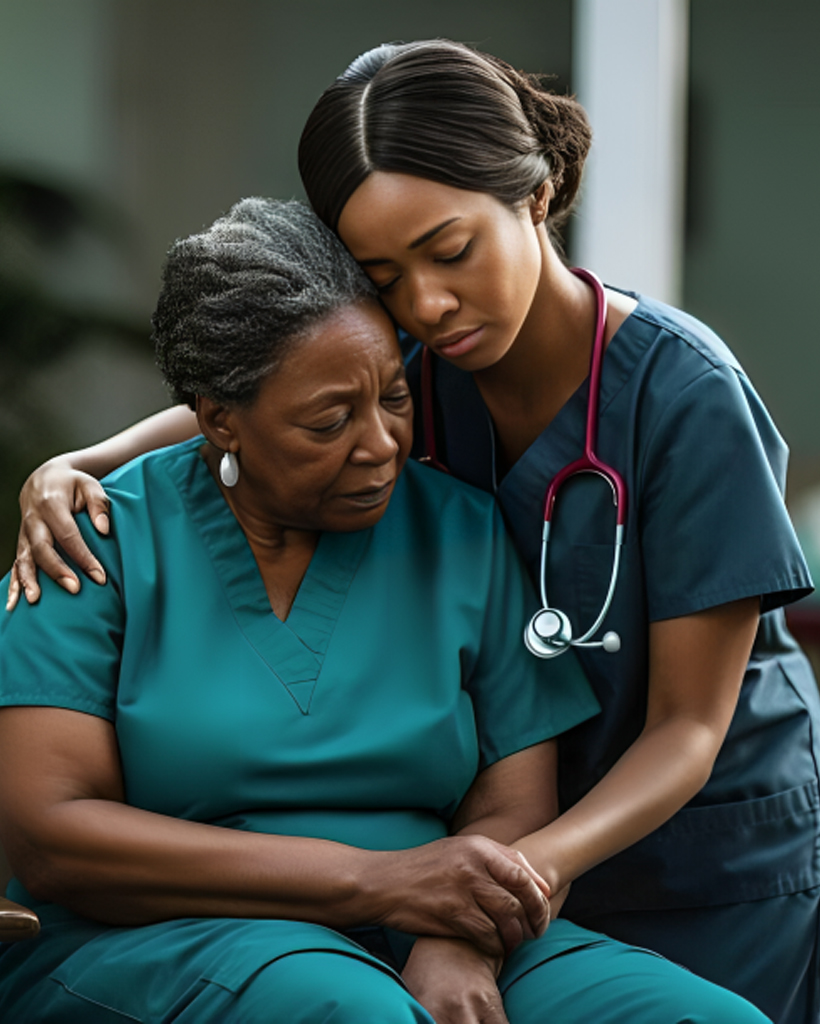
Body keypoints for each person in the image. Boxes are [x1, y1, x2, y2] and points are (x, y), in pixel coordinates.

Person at [6, 38, 814, 1022]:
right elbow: (275, 389)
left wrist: (469, 899)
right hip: (468, 873)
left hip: (693, 842)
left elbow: (687, 727)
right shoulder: (420, 354)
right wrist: (82, 463)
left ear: (538, 192)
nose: (426, 304)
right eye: (385, 275)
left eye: (450, 250)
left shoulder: (684, 397)